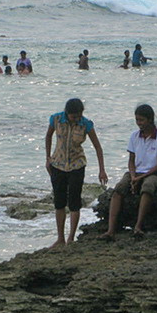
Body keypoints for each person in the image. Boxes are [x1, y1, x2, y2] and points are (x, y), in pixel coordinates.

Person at [99, 104, 157, 239]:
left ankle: (138, 226)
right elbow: (131, 160)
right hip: (135, 172)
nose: (139, 123)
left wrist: (140, 178)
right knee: (118, 189)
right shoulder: (134, 136)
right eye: (137, 120)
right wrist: (133, 176)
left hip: (153, 173)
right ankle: (110, 230)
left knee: (147, 188)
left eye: (141, 120)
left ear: (150, 119)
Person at [45, 98, 108, 247]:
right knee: (59, 202)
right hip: (57, 165)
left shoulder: (85, 124)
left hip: (77, 166)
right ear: (67, 113)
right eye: (74, 116)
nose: (77, 119)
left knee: (74, 203)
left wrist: (102, 170)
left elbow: (98, 147)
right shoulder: (56, 119)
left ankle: (71, 238)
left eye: (79, 115)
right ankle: (60, 238)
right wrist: (48, 158)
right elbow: (48, 136)